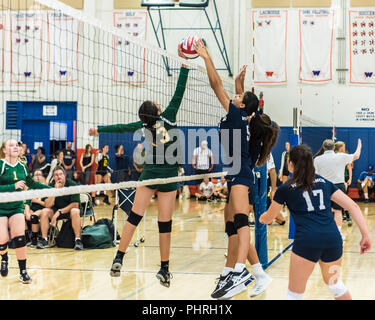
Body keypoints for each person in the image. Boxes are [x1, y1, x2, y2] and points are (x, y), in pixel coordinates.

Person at [89, 45, 190, 287]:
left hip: (149, 174)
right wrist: (185, 65)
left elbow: (120, 127)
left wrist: (99, 130)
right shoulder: (169, 116)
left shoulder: (143, 125)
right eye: (157, 103)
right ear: (157, 111)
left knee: (134, 217)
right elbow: (179, 92)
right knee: (164, 224)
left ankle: (119, 257)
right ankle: (164, 269)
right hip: (167, 178)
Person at [195, 41, 279, 299]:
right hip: (237, 175)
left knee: (241, 225)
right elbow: (244, 105)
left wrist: (206, 56)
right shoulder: (248, 123)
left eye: (239, 97)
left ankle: (239, 272)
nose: (236, 96)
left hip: (240, 177)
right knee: (232, 226)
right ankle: (257, 274)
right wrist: (241, 86)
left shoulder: (237, 117)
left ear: (242, 106)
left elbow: (216, 85)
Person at [259, 144, 371, 300]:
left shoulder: (285, 188)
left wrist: (261, 217)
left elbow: (270, 217)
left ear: (290, 164)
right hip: (332, 241)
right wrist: (365, 235)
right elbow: (352, 206)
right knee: (335, 286)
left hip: (307, 242)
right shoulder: (324, 183)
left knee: (294, 294)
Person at [0, 139, 51, 283]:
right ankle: (4, 257)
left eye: (16, 145)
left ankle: (23, 271)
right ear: (4, 150)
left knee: (19, 237)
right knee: (2, 240)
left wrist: (50, 189)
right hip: (1, 208)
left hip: (16, 207)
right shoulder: (1, 165)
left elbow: (32, 183)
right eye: (11, 145)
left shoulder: (22, 166)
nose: (15, 147)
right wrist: (12, 186)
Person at [314, 139, 361, 240]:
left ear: (324, 148)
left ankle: (324, 232)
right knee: (338, 211)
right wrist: (359, 145)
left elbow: (315, 175)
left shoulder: (317, 159)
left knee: (324, 210)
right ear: (334, 148)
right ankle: (337, 233)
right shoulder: (341, 156)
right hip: (338, 186)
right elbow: (356, 156)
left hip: (323, 185)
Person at [39, 166, 83, 250]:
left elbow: (75, 204)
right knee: (44, 211)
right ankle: (44, 239)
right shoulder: (51, 186)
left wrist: (59, 212)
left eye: (60, 174)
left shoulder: (72, 185)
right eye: (56, 175)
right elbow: (47, 205)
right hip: (56, 211)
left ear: (64, 175)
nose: (59, 176)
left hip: (69, 211)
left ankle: (78, 240)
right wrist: (55, 191)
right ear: (53, 177)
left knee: (75, 211)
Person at [25, 169, 47, 247]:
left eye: (39, 175)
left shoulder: (45, 188)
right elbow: (27, 203)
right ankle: (27, 238)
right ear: (33, 178)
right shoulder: (31, 189)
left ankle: (34, 240)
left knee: (34, 216)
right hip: (33, 210)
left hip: (44, 210)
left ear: (43, 177)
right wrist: (27, 212)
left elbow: (48, 205)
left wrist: (37, 201)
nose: (37, 177)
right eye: (35, 175)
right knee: (22, 214)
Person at [334, 141, 353, 226]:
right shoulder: (333, 156)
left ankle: (347, 216)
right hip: (335, 180)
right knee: (337, 199)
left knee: (343, 198)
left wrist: (350, 178)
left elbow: (349, 168)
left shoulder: (345, 157)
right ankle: (343, 215)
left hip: (343, 179)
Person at [267, 153, 285, 225]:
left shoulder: (268, 153)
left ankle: (271, 216)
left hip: (264, 191)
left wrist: (273, 190)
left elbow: (272, 170)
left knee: (282, 221)